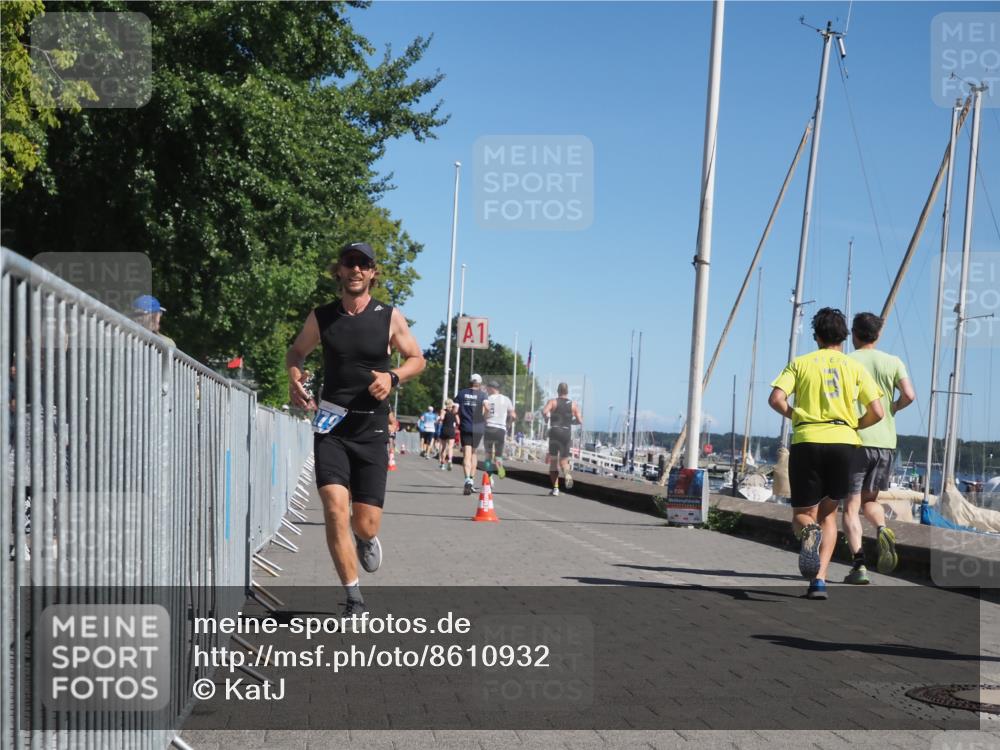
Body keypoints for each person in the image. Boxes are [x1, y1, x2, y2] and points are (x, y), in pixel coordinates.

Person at [286, 241, 424, 615]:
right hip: (331, 427)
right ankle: (354, 598)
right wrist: (295, 378)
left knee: (364, 522)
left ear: (373, 272)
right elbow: (296, 352)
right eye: (349, 263)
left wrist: (393, 377)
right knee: (334, 508)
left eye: (363, 264)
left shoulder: (388, 317)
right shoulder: (322, 317)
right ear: (340, 271)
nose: (356, 270)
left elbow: (417, 359)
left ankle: (365, 538)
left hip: (372, 431)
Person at [768, 307, 884, 600]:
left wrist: (796, 415)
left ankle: (808, 532)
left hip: (808, 440)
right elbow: (878, 412)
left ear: (816, 336)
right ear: (844, 337)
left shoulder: (801, 363)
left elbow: (776, 398)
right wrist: (854, 425)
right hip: (843, 443)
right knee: (829, 516)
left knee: (802, 516)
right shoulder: (854, 368)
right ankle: (819, 580)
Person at [842, 312, 915, 584]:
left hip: (856, 440)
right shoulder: (893, 362)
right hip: (885, 442)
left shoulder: (847, 361)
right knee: (870, 501)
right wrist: (893, 407)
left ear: (854, 333)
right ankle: (882, 528)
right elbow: (909, 394)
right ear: (878, 334)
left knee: (850, 507)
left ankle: (859, 565)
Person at [541, 383, 583, 496]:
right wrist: (571, 422)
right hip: (566, 432)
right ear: (567, 392)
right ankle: (567, 474)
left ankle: (555, 488)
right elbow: (580, 420)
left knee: (553, 461)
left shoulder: (552, 401)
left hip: (555, 431)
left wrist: (546, 418)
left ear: (558, 391)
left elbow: (545, 412)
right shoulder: (573, 404)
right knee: (564, 461)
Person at [455, 373, 489, 495]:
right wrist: (484, 418)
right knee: (474, 453)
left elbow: (455, 409)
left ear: (470, 382)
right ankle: (472, 480)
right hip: (478, 427)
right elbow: (487, 407)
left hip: (465, 426)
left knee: (466, 454)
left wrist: (458, 417)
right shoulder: (483, 394)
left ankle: (467, 480)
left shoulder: (461, 393)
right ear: (479, 384)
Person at [484, 380, 516, 479]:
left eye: (487, 388)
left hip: (489, 427)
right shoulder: (506, 399)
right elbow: (513, 415)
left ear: (491, 388)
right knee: (498, 454)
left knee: (488, 455)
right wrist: (508, 425)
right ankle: (500, 468)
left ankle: (489, 477)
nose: (487, 390)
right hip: (501, 429)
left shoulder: (487, 399)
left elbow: (483, 414)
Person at [438, 400, 458, 471]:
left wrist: (439, 420)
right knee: (450, 447)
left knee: (443, 447)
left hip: (444, 429)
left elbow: (442, 418)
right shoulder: (454, 412)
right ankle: (450, 460)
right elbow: (458, 421)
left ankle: (442, 463)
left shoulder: (443, 410)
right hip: (451, 430)